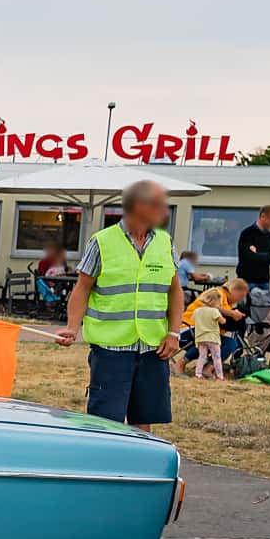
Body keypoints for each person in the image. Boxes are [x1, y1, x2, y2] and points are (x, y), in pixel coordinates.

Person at [53, 179, 184, 427]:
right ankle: (104, 465)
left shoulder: (165, 242)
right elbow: (82, 288)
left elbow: (175, 291)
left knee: (143, 422)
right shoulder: (102, 241)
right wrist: (72, 327)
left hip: (153, 348)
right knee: (105, 423)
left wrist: (174, 333)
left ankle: (139, 465)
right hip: (112, 350)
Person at [236, 205, 270, 290]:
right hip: (247, 281)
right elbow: (248, 257)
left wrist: (257, 254)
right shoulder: (247, 234)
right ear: (263, 216)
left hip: (264, 281)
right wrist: (269, 255)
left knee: (266, 303)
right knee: (246, 303)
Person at [190, 287, 227, 381]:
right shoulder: (214, 311)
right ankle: (220, 376)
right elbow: (222, 321)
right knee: (216, 357)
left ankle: (198, 374)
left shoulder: (197, 310)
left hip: (200, 338)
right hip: (212, 338)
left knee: (202, 357)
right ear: (215, 301)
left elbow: (193, 320)